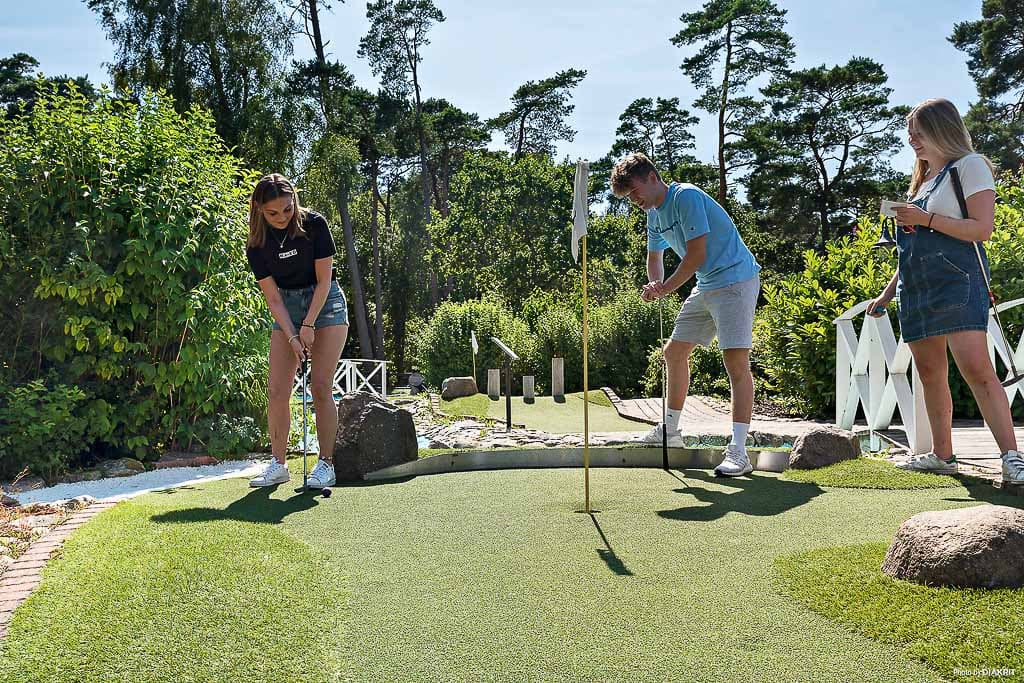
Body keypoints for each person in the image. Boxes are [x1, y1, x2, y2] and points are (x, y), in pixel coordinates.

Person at [867, 98, 1022, 483]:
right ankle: (942, 455)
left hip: (958, 280)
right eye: (910, 135)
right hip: (915, 289)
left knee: (977, 368)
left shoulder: (970, 166)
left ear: (942, 130)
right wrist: (887, 294)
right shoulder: (921, 181)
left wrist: (926, 218)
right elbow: (911, 251)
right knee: (929, 373)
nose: (912, 141)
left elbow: (981, 230)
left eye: (919, 133)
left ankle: (1012, 457)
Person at [610, 153, 762, 477]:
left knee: (735, 363)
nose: (634, 200)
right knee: (674, 352)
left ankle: (739, 451)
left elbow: (695, 255)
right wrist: (655, 282)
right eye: (629, 197)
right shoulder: (653, 213)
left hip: (736, 280)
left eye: (634, 192)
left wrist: (664, 288)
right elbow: (655, 256)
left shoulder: (686, 197)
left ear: (652, 177)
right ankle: (671, 431)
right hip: (707, 284)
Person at [245, 174, 349, 487]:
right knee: (277, 389)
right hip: (286, 309)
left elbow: (325, 281)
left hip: (325, 304)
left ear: (295, 201)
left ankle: (326, 465)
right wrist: (292, 334)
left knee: (319, 386)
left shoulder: (314, 225)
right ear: (259, 209)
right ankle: (278, 465)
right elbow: (273, 298)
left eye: (287, 210)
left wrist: (308, 325)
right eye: (272, 213)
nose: (281, 218)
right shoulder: (257, 245)